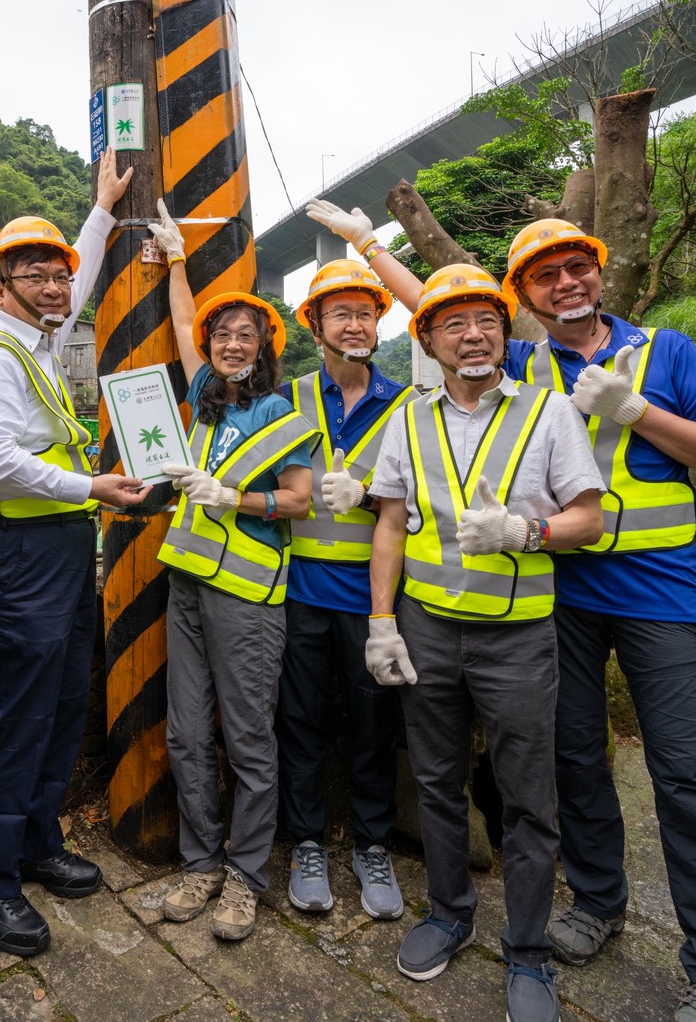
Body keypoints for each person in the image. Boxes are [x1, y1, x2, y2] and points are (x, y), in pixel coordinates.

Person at [501, 219, 696, 1022]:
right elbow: (448, 319)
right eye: (545, 277)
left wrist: (636, 406)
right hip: (564, 595)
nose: (565, 283)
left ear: (598, 275)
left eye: (577, 268)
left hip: (661, 600)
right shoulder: (521, 362)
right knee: (573, 757)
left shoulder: (665, 351)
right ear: (525, 297)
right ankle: (596, 902)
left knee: (687, 779)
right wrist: (374, 251)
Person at [366, 266, 603, 1022]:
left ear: (505, 332)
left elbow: (588, 520)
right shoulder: (406, 417)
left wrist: (523, 529)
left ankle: (528, 949)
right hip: (428, 629)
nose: (474, 334)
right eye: (454, 324)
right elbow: (388, 524)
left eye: (487, 321)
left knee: (528, 800)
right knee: (435, 782)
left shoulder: (549, 411)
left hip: (517, 637)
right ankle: (448, 912)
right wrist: (380, 621)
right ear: (427, 339)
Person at [0, 148, 150, 958]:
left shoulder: (37, 342)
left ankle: (34, 843)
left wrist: (98, 212)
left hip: (59, 547)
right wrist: (91, 489)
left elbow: (81, 278)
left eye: (59, 276)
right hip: (16, 554)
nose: (56, 287)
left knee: (62, 705)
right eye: (34, 276)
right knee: (14, 718)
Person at [144, 241, 315, 940]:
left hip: (247, 593)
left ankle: (244, 877)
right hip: (187, 583)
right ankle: (198, 862)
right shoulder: (202, 398)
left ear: (265, 348)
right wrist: (177, 265)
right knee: (185, 734)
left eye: (247, 335)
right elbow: (186, 324)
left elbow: (300, 501)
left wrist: (235, 497)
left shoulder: (279, 412)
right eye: (223, 334)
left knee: (246, 738)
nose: (231, 343)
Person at [278, 258, 414, 921]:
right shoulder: (290, 397)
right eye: (340, 312)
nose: (354, 323)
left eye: (364, 311)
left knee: (372, 725)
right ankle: (305, 841)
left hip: (373, 597)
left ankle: (371, 844)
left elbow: (428, 499)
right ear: (314, 325)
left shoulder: (407, 403)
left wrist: (367, 498)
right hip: (297, 590)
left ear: (378, 321)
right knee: (299, 720)